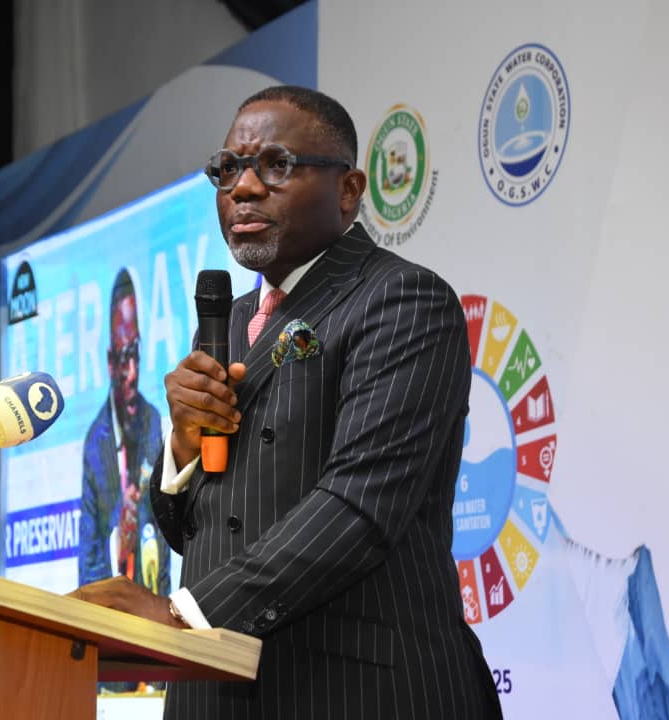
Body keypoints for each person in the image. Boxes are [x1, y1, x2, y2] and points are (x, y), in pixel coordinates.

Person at [70, 85, 502, 719]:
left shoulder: (403, 301)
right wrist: (183, 449)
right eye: (227, 169)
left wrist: (181, 613)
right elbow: (198, 532)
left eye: (274, 166)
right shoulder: (229, 321)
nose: (242, 188)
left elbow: (358, 508)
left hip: (354, 691)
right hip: (215, 690)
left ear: (349, 191)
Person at [79, 268, 169, 597]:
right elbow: (87, 563)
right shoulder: (95, 444)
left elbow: (162, 537)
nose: (132, 374)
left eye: (136, 355)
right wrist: (119, 540)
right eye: (123, 358)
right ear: (109, 363)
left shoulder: (153, 421)